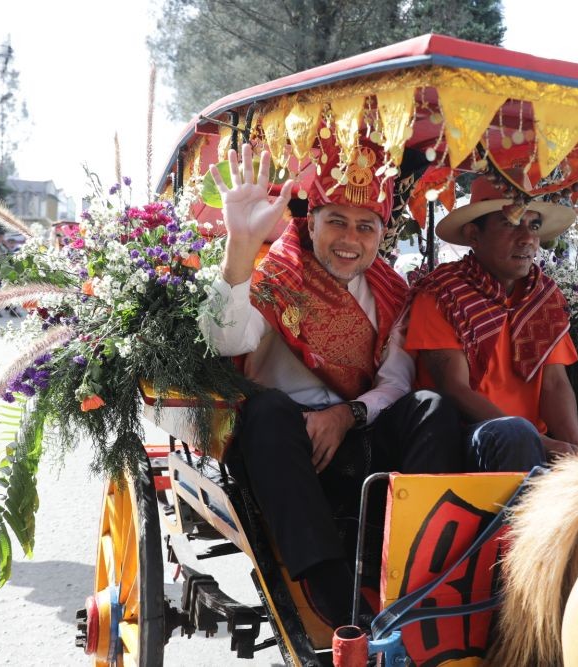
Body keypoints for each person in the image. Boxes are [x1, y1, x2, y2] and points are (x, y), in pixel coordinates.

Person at [198, 143, 462, 629]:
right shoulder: (277, 272)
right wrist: (239, 243)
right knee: (268, 410)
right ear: (312, 220)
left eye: (366, 227)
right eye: (336, 220)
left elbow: (396, 383)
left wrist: (346, 416)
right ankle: (336, 599)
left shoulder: (391, 292)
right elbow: (225, 338)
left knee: (432, 407)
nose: (350, 239)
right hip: (280, 446)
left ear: (383, 234)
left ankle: (418, 576)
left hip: (355, 434)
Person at [404, 177, 578, 472]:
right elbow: (455, 389)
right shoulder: (441, 292)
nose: (527, 238)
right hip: (468, 439)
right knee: (515, 435)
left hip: (537, 444)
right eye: (510, 223)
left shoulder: (545, 295)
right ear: (473, 235)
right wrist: (542, 442)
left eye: (534, 226)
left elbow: (554, 383)